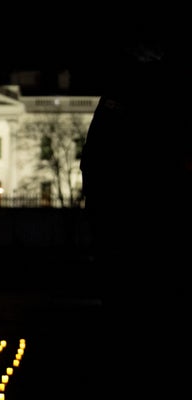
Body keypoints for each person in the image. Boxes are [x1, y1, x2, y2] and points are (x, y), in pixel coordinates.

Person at [80, 24, 191, 398]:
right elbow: (94, 163)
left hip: (141, 226)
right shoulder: (135, 93)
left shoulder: (134, 95)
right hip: (135, 227)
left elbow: (94, 162)